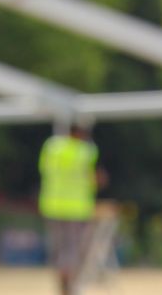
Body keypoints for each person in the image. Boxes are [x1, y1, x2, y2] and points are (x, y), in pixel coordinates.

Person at [39, 123, 106, 295]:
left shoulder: (52, 147)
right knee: (74, 248)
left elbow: (43, 170)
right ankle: (70, 283)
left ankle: (63, 280)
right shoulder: (86, 152)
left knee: (59, 247)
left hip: (52, 205)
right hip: (77, 208)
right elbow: (94, 178)